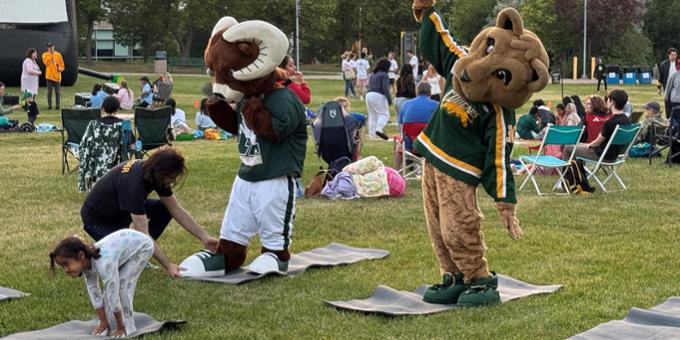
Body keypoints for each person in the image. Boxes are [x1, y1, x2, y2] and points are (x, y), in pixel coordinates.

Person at [79, 148, 219, 277]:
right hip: (98, 221)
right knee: (116, 259)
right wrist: (168, 265)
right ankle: (80, 256)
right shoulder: (134, 185)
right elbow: (143, 234)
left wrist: (204, 237)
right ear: (161, 172)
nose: (173, 180)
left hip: (120, 212)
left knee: (164, 210)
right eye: (172, 177)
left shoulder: (152, 173)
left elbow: (176, 210)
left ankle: (137, 253)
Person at [50, 230, 154, 337]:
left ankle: (128, 327)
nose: (66, 270)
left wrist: (119, 325)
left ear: (81, 255)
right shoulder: (86, 263)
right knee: (110, 289)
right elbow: (93, 290)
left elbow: (113, 293)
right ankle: (105, 325)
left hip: (143, 247)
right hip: (125, 248)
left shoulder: (105, 264)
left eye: (66, 264)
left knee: (122, 287)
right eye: (63, 267)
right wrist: (103, 321)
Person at [562, 89, 631, 162]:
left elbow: (596, 143)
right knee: (578, 145)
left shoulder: (610, 122)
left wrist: (587, 146)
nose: (606, 101)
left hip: (600, 155)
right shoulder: (627, 120)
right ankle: (579, 170)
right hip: (614, 156)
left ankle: (567, 172)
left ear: (612, 102)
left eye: (608, 99)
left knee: (568, 147)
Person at [400, 82, 437, 151]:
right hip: (428, 141)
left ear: (416, 92)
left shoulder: (405, 104)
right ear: (430, 92)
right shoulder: (436, 105)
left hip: (409, 141)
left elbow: (402, 124)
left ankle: (398, 161)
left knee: (399, 149)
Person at [365, 59, 393, 138]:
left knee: (372, 115)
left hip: (368, 94)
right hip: (378, 94)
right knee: (384, 114)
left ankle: (372, 135)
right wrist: (389, 100)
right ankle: (379, 129)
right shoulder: (384, 74)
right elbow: (385, 88)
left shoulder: (373, 74)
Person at [42, 42, 65, 110]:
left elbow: (62, 65)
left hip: (57, 76)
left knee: (57, 92)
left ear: (54, 47)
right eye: (49, 47)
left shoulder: (58, 55)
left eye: (51, 47)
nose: (50, 48)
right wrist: (51, 56)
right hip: (49, 76)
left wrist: (60, 69)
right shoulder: (45, 55)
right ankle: (50, 105)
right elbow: (46, 63)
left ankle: (57, 105)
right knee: (49, 92)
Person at [658, 47, 679, 118]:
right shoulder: (663, 65)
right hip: (667, 88)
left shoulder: (679, 63)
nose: (674, 56)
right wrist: (659, 88)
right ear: (669, 55)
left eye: (675, 55)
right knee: (668, 106)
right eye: (672, 55)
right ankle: (669, 121)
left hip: (678, 89)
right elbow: (660, 78)